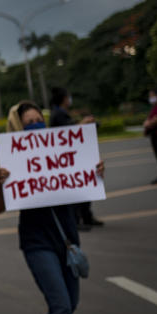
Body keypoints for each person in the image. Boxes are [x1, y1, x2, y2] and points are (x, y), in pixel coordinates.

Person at [0, 101, 104, 314]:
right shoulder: (13, 160)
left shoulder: (64, 151)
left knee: (71, 303)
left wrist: (94, 171)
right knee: (61, 307)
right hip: (37, 242)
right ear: (20, 127)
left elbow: (84, 187)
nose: (36, 125)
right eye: (29, 123)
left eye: (39, 120)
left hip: (67, 238)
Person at [49, 87, 102, 229]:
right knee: (76, 191)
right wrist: (82, 124)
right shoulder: (58, 114)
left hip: (74, 157)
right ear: (64, 99)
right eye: (68, 97)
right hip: (67, 159)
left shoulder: (61, 113)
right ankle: (77, 220)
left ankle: (86, 216)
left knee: (84, 187)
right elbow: (67, 132)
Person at [143, 88, 157, 184]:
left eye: (151, 96)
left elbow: (156, 119)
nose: (150, 98)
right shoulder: (155, 107)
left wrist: (148, 124)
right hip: (155, 135)